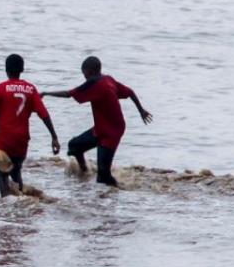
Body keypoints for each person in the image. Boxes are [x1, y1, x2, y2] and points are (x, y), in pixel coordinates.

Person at [43, 57, 152, 187]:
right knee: (74, 146)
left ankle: (121, 189)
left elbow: (68, 94)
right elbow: (130, 92)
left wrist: (46, 93)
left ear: (89, 71)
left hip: (112, 132)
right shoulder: (108, 79)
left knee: (103, 176)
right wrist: (141, 110)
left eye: (84, 73)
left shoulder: (94, 84)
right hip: (101, 129)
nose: (84, 76)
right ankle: (84, 171)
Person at [0, 54, 59, 197]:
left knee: (1, 173)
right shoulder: (31, 89)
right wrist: (54, 137)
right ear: (22, 69)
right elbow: (44, 115)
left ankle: (6, 204)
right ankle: (21, 202)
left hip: (4, 141)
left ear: (6, 69)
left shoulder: (1, 88)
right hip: (22, 141)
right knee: (16, 171)